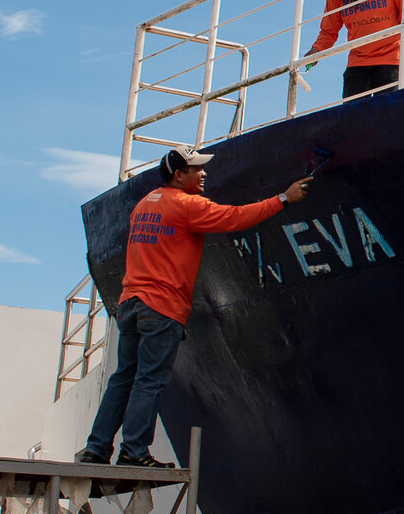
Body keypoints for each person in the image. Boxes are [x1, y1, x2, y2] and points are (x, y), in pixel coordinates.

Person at [76, 146, 311, 467]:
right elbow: (235, 217)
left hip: (130, 303)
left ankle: (96, 449)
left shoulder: (144, 205)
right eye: (196, 169)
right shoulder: (187, 206)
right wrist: (283, 199)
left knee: (123, 378)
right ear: (178, 174)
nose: (203, 174)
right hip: (161, 308)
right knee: (150, 379)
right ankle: (134, 451)